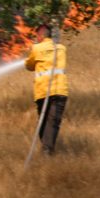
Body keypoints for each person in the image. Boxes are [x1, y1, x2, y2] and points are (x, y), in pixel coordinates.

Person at [25, 23, 69, 155]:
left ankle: (46, 151)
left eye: (37, 35)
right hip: (60, 91)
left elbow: (29, 66)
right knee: (53, 122)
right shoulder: (61, 48)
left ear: (40, 35)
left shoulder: (36, 48)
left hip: (43, 92)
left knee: (43, 122)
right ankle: (47, 149)